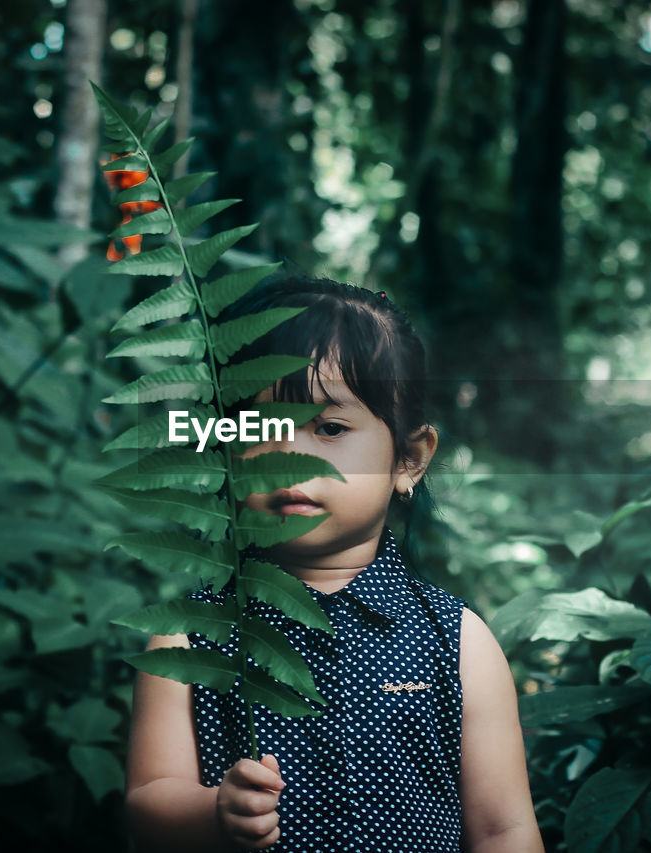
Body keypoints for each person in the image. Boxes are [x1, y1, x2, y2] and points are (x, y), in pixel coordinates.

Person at [124, 277, 544, 852]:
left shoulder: (455, 641)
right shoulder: (192, 633)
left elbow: (503, 829)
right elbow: (148, 800)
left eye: (329, 428)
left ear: (409, 460)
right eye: (257, 425)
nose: (288, 457)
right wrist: (214, 811)